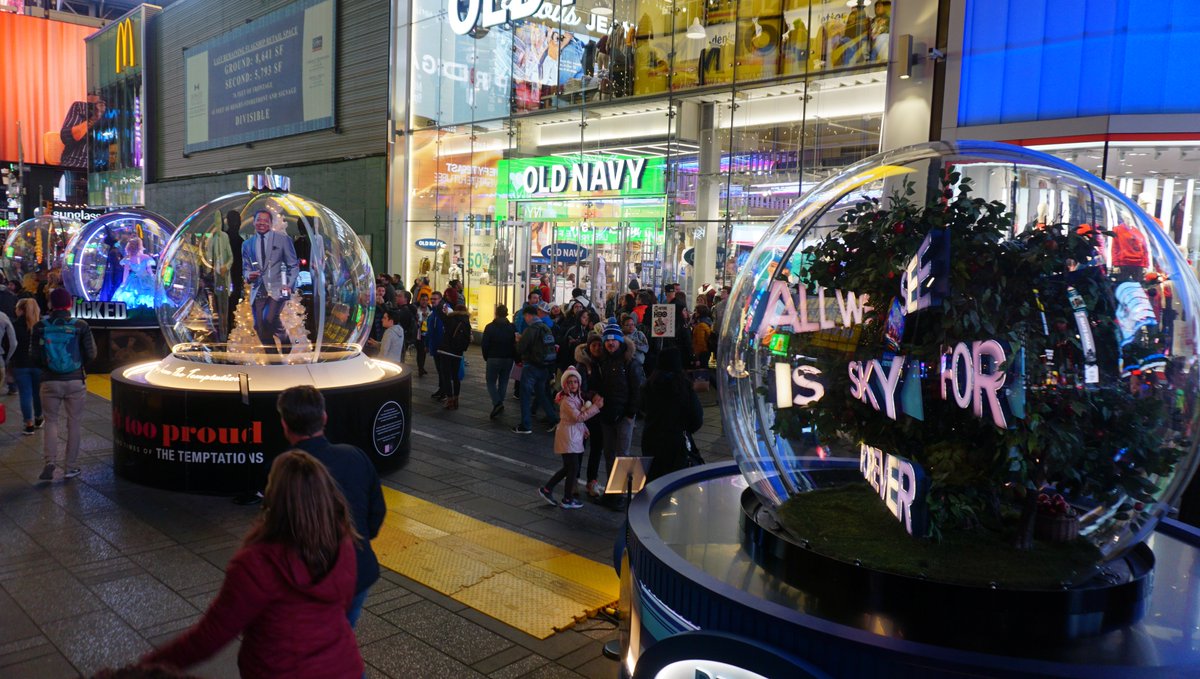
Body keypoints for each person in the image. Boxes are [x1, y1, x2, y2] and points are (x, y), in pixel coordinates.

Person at [140, 450, 364, 678]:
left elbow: (210, 636)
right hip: (343, 667)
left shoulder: (257, 564)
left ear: (273, 498)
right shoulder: (342, 541)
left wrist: (145, 667)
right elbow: (342, 605)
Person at [275, 386, 385, 627]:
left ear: (285, 424)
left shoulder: (283, 469)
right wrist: (361, 538)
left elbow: (277, 531)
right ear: (324, 418)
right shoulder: (354, 456)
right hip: (358, 572)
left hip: (312, 581)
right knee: (342, 638)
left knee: (322, 648)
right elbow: (377, 511)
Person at [33, 288, 97, 481]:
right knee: (74, 423)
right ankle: (70, 467)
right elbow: (92, 353)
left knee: (51, 421)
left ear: (51, 304)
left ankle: (50, 462)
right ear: (69, 304)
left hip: (49, 381)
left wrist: (47, 367)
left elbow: (33, 355)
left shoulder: (40, 327)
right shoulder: (80, 325)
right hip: (75, 380)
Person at [585, 321, 641, 499]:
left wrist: (631, 413)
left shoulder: (629, 362)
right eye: (607, 340)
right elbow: (592, 385)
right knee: (609, 453)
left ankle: (621, 493)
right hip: (606, 415)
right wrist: (593, 395)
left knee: (622, 454)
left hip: (624, 415)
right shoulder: (601, 362)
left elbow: (637, 389)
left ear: (619, 341)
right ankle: (612, 491)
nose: (610, 343)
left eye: (613, 340)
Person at [538, 366, 603, 509]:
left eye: (575, 382)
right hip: (569, 436)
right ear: (564, 385)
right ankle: (567, 498)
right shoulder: (567, 401)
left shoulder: (575, 397)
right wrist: (595, 407)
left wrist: (584, 428)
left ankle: (548, 489)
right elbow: (578, 417)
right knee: (572, 467)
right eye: (570, 382)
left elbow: (576, 419)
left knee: (568, 467)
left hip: (572, 434)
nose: (573, 384)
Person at [643, 346, 703, 481]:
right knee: (675, 482)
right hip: (676, 442)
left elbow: (641, 407)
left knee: (654, 480)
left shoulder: (649, 385)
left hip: (651, 439)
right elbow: (697, 418)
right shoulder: (683, 387)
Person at [242, 209, 299, 352]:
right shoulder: (247, 244)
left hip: (278, 288)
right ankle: (273, 357)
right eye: (258, 220)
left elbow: (293, 265)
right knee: (258, 326)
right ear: (254, 222)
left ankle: (284, 338)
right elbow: (245, 268)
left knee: (268, 319)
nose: (261, 223)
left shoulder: (283, 240)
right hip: (258, 288)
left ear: (271, 223)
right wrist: (249, 275)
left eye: (265, 220)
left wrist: (289, 285)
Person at [513, 305, 558, 434]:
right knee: (541, 394)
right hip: (544, 366)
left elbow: (521, 349)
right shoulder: (545, 328)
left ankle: (525, 425)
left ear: (528, 315)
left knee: (525, 395)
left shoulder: (531, 329)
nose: (525, 319)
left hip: (531, 366)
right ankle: (553, 420)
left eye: (524, 317)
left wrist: (518, 340)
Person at [12, 299, 43, 435]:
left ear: (21, 310)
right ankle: (39, 417)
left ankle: (28, 424)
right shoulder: (41, 325)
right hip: (38, 365)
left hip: (20, 364)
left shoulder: (14, 325)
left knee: (25, 394)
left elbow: (10, 344)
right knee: (38, 393)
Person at [481, 303, 516, 419]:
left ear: (496, 313)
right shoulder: (512, 327)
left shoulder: (489, 327)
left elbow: (485, 344)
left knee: (490, 381)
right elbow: (515, 343)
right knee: (504, 381)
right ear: (506, 314)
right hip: (508, 358)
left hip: (493, 357)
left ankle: (497, 403)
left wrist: (486, 356)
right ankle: (500, 402)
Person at [436, 303, 471, 410]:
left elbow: (439, 313)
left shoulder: (451, 318)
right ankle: (456, 399)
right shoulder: (467, 322)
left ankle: (449, 399)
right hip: (458, 353)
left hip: (446, 351)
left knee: (446, 376)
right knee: (456, 376)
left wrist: (444, 310)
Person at [58, 94, 105, 170]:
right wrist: (94, 118)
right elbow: (66, 137)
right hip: (77, 164)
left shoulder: (113, 112)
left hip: (102, 168)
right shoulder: (80, 107)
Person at [110, 237, 157, 309]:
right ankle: (146, 309)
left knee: (130, 294)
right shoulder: (146, 257)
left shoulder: (128, 259)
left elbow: (126, 272)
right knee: (146, 294)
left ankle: (133, 309)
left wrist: (124, 283)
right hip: (146, 278)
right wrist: (153, 276)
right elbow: (149, 269)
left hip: (132, 279)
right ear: (140, 246)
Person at [425, 291, 449, 399]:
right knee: (440, 370)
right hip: (435, 345)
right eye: (432, 299)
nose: (433, 301)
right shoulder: (433, 311)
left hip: (442, 346)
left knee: (443, 370)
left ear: (440, 299)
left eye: (435, 299)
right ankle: (441, 389)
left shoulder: (444, 310)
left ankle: (445, 391)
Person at [414, 292, 431, 376]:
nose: (424, 302)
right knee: (420, 351)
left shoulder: (429, 309)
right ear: (420, 300)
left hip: (426, 332)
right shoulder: (416, 309)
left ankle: (422, 367)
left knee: (424, 351)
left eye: (426, 300)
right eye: (423, 300)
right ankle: (420, 368)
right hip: (418, 333)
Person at [692, 304, 714, 368]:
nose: (695, 313)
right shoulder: (708, 322)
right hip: (706, 351)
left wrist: (697, 356)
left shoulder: (700, 325)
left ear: (699, 313)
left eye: (696, 311)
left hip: (702, 353)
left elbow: (700, 342)